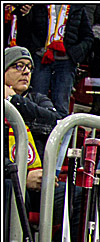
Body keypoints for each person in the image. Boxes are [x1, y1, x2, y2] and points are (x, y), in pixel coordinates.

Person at [13, 4, 93, 119]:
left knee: (62, 105)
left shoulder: (78, 7)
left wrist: (74, 53)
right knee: (35, 101)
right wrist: (25, 15)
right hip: (41, 59)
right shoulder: (37, 6)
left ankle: (60, 135)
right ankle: (34, 134)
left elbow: (88, 36)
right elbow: (26, 32)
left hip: (66, 62)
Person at [4, 46, 53, 192]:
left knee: (71, 193)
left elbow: (53, 121)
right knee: (8, 188)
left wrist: (13, 99)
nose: (26, 71)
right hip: (8, 174)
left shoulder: (38, 99)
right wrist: (21, 175)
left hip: (39, 177)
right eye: (18, 66)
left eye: (29, 68)